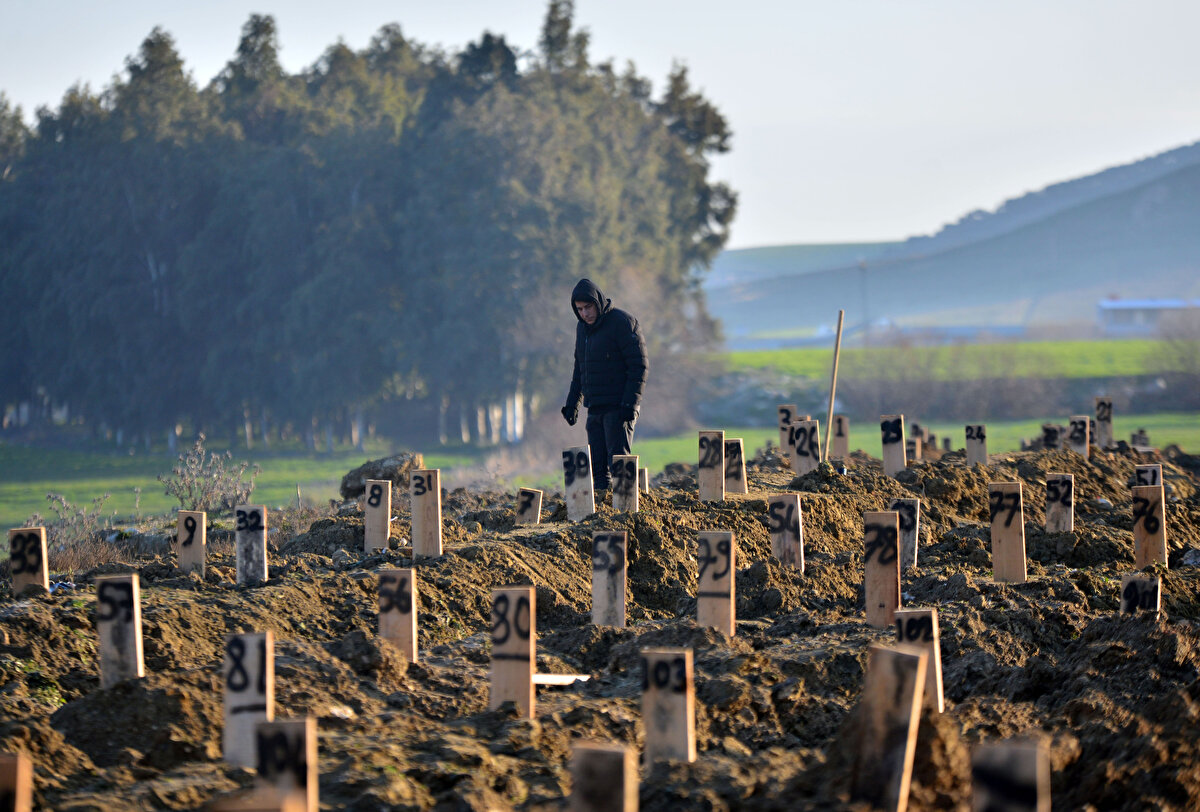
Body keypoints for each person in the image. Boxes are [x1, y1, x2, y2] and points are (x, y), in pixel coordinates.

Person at [561, 278, 648, 493]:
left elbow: (639, 365)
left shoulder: (622, 322)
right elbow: (580, 369)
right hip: (595, 408)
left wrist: (630, 403)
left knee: (619, 465)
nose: (584, 313)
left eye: (588, 307)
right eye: (579, 309)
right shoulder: (582, 330)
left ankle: (627, 513)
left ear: (598, 303)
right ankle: (603, 512)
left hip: (619, 407)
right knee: (598, 469)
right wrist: (573, 404)